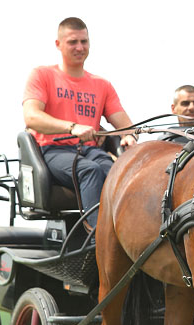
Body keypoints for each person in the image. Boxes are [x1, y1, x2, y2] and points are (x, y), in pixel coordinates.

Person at [22, 17, 137, 227]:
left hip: (90, 151)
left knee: (116, 171)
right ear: (58, 44)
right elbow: (31, 117)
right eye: (73, 42)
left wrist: (129, 135)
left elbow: (124, 122)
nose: (79, 47)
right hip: (53, 151)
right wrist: (72, 127)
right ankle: (96, 237)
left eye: (84, 42)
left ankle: (128, 230)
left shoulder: (102, 85)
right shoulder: (42, 75)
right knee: (90, 171)